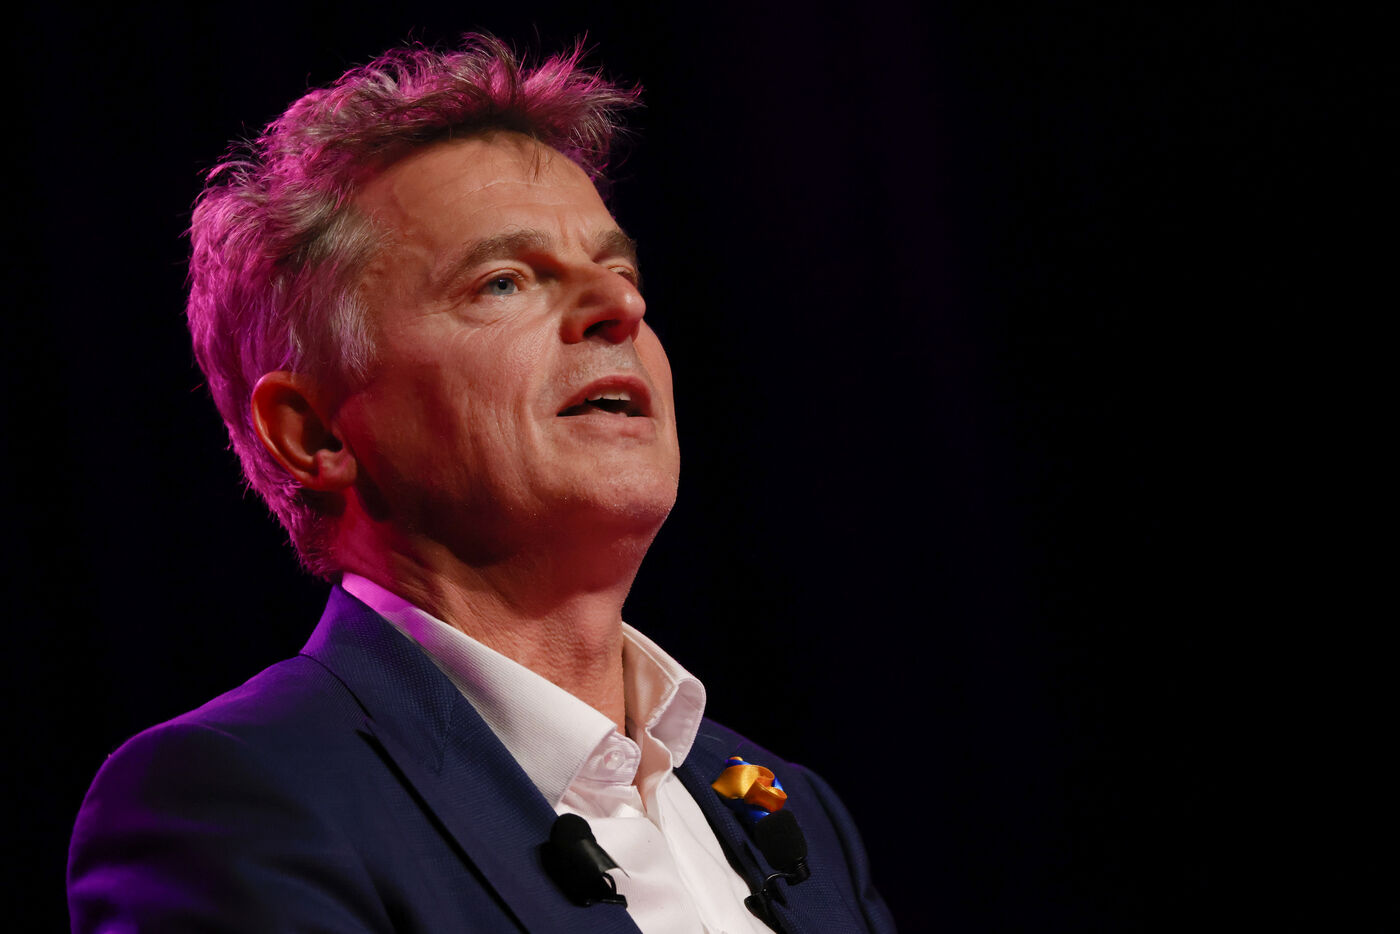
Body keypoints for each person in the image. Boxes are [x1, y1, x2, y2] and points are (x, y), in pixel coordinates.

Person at [67, 35, 894, 933]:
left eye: (620, 272)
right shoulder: (238, 799)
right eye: (504, 282)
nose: (621, 308)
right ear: (315, 434)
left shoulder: (791, 812)